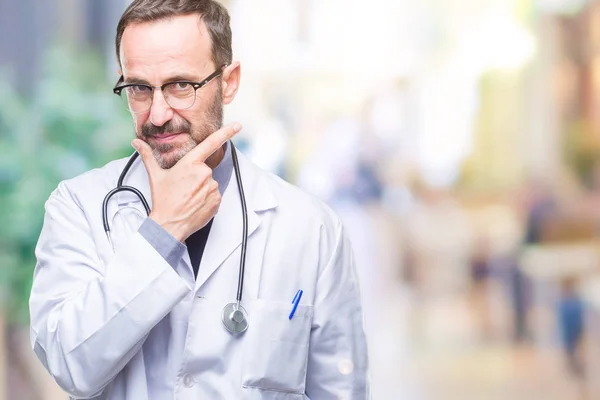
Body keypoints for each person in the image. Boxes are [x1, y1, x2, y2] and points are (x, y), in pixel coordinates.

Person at [28, 1, 369, 399]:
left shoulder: (312, 229)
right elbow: (71, 366)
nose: (157, 114)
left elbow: (341, 391)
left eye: (179, 86)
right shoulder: (78, 207)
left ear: (229, 82)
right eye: (139, 88)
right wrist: (163, 231)